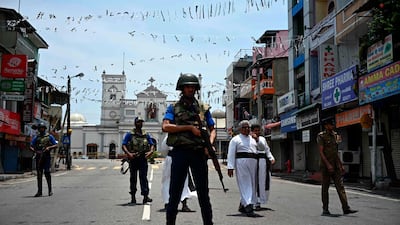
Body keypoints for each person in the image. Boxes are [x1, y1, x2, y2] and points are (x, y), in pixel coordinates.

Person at [162, 73, 215, 225]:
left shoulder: (203, 108)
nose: (190, 89)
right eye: (187, 87)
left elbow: (212, 128)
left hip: (198, 153)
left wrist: (210, 144)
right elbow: (165, 126)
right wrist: (189, 128)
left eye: (193, 87)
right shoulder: (173, 108)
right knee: (175, 193)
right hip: (180, 152)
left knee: (204, 194)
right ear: (182, 89)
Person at [317, 118, 358, 216]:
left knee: (340, 186)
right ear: (326, 125)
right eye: (331, 124)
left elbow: (335, 152)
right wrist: (328, 165)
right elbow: (321, 152)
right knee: (325, 188)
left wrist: (340, 164)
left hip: (335, 165)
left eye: (333, 124)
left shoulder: (335, 136)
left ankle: (346, 208)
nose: (332, 126)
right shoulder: (321, 136)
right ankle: (325, 209)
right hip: (325, 166)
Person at [227, 120, 261, 217]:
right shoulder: (236, 139)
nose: (247, 129)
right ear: (240, 129)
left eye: (248, 128)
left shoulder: (253, 138)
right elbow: (231, 153)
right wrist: (230, 167)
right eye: (244, 127)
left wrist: (257, 139)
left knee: (252, 184)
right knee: (245, 183)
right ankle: (248, 206)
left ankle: (243, 204)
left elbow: (262, 148)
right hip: (242, 162)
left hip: (253, 162)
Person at [122, 116, 155, 205]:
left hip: (143, 159)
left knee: (143, 178)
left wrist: (151, 152)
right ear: (135, 123)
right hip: (133, 158)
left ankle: (145, 196)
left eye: (141, 122)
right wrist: (128, 153)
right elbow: (124, 145)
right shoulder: (130, 134)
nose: (140, 124)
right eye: (138, 122)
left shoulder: (146, 134)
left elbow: (151, 144)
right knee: (133, 178)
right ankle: (133, 197)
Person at [159, 135, 197, 212]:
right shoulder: (185, 135)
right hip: (178, 158)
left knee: (171, 181)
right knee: (182, 181)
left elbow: (163, 149)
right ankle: (183, 205)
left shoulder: (170, 135)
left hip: (173, 158)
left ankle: (170, 204)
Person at [250, 124, 275, 210]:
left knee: (262, 181)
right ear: (252, 131)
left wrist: (271, 158)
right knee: (253, 181)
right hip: (253, 160)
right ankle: (252, 201)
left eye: (258, 130)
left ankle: (259, 201)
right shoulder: (249, 139)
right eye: (255, 130)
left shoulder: (262, 139)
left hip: (262, 161)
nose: (257, 132)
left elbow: (266, 149)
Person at [30, 122, 58, 197]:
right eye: (40, 128)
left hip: (46, 156)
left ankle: (50, 190)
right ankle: (39, 191)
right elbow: (31, 145)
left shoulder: (49, 136)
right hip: (39, 156)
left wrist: (49, 148)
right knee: (39, 174)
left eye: (42, 128)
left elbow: (55, 144)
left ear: (44, 129)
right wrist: (34, 150)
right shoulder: (36, 137)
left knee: (47, 173)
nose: (41, 129)